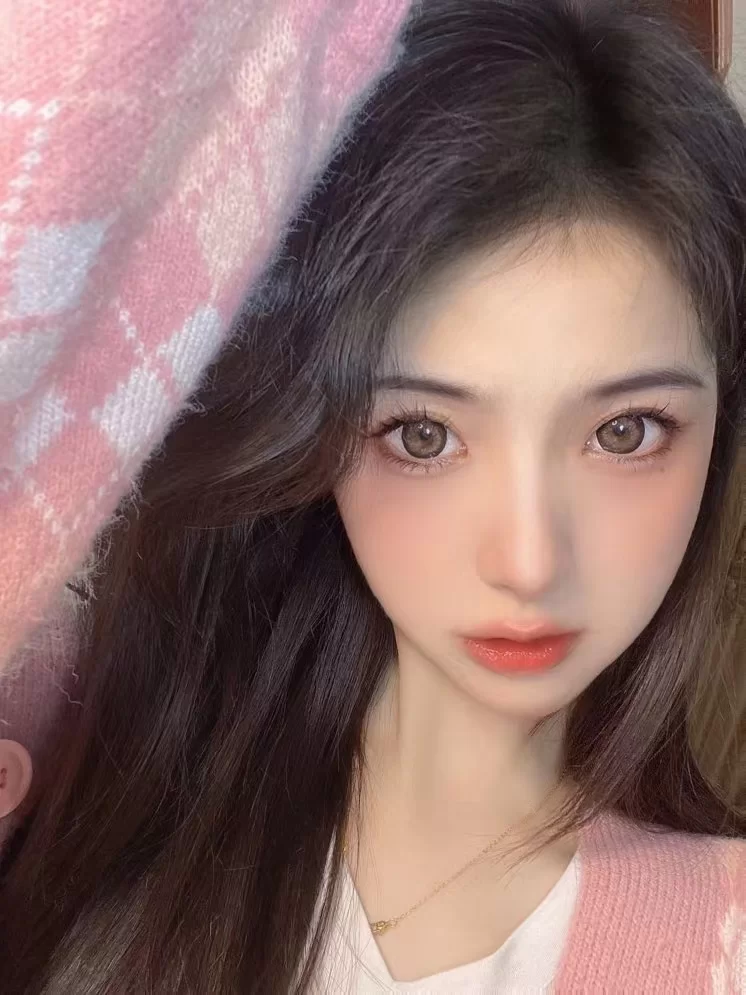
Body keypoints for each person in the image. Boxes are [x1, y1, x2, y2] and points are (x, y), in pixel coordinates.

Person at [1, 0, 744, 991]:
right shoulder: (91, 778)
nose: (527, 559)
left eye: (625, 432)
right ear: (312, 429)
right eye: (423, 435)